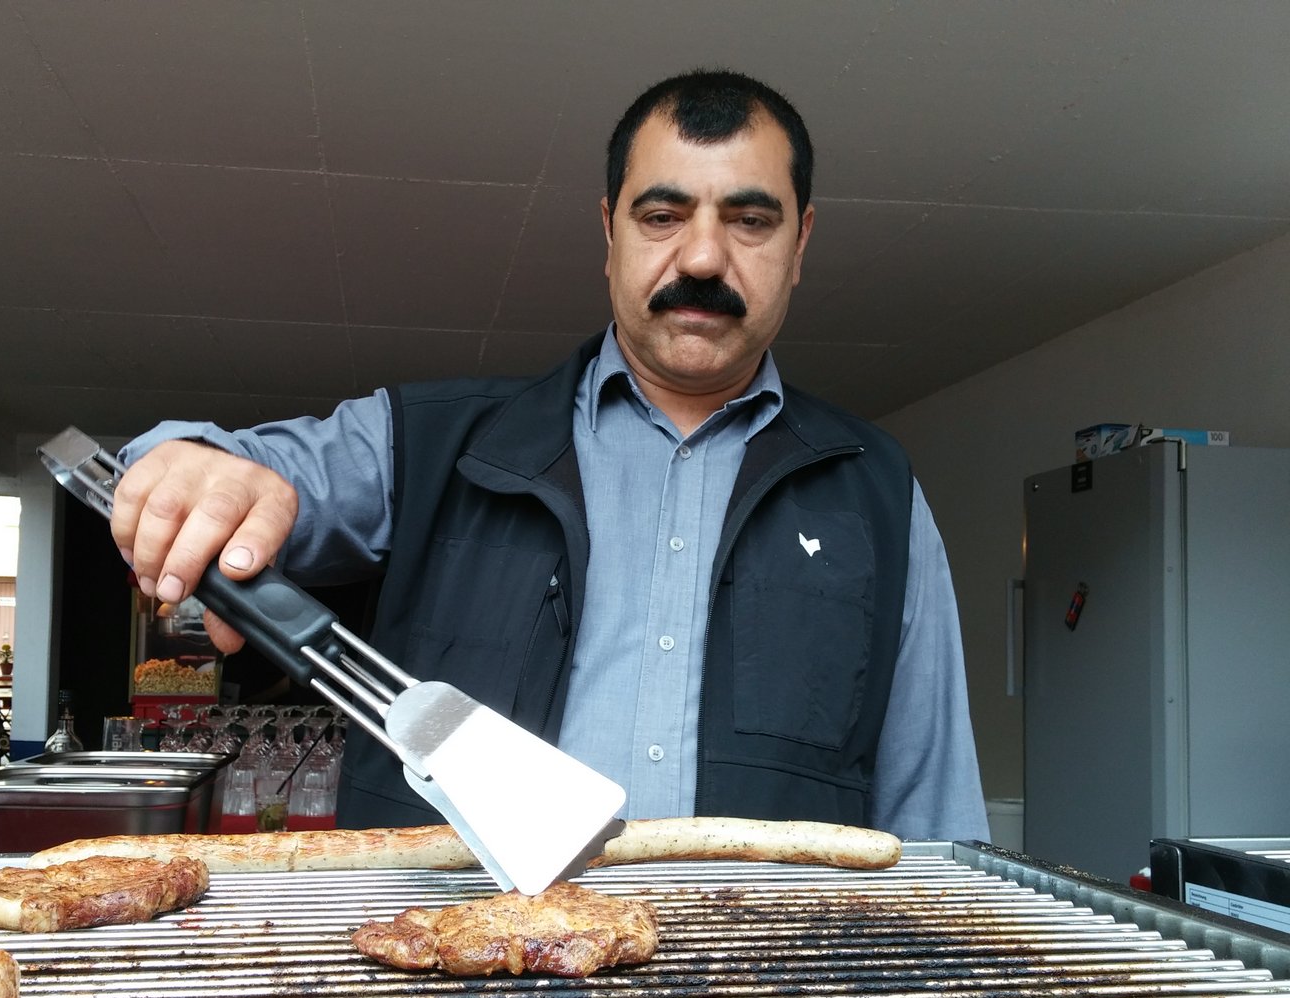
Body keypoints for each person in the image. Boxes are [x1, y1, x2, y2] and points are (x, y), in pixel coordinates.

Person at [112, 69, 989, 842]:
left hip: (760, 972)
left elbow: (934, 812)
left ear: (801, 244)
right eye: (662, 215)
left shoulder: (877, 491)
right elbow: (204, 468)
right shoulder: (427, 444)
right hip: (467, 964)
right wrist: (194, 467)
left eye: (750, 220)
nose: (702, 256)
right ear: (610, 231)